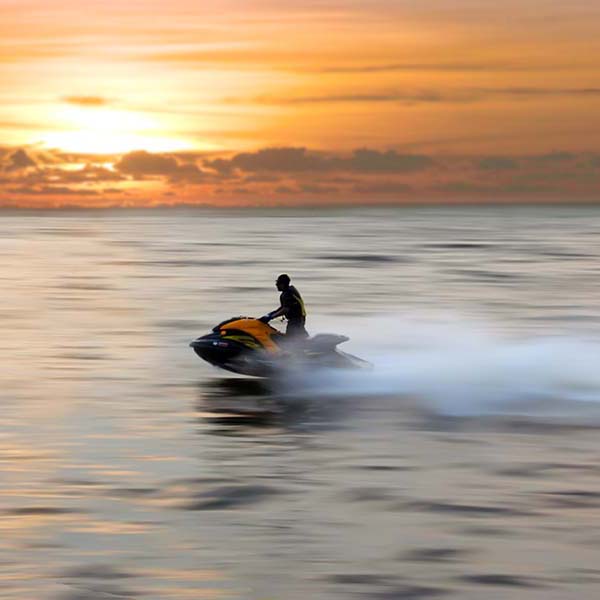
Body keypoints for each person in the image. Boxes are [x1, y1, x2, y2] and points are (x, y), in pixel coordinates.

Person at [259, 274, 308, 339]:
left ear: (282, 284)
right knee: (302, 336)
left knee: (290, 339)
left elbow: (285, 309)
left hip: (296, 320)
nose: (276, 285)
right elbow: (283, 307)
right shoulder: (291, 289)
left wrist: (271, 317)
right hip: (301, 318)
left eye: (277, 283)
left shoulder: (286, 294)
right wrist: (271, 314)